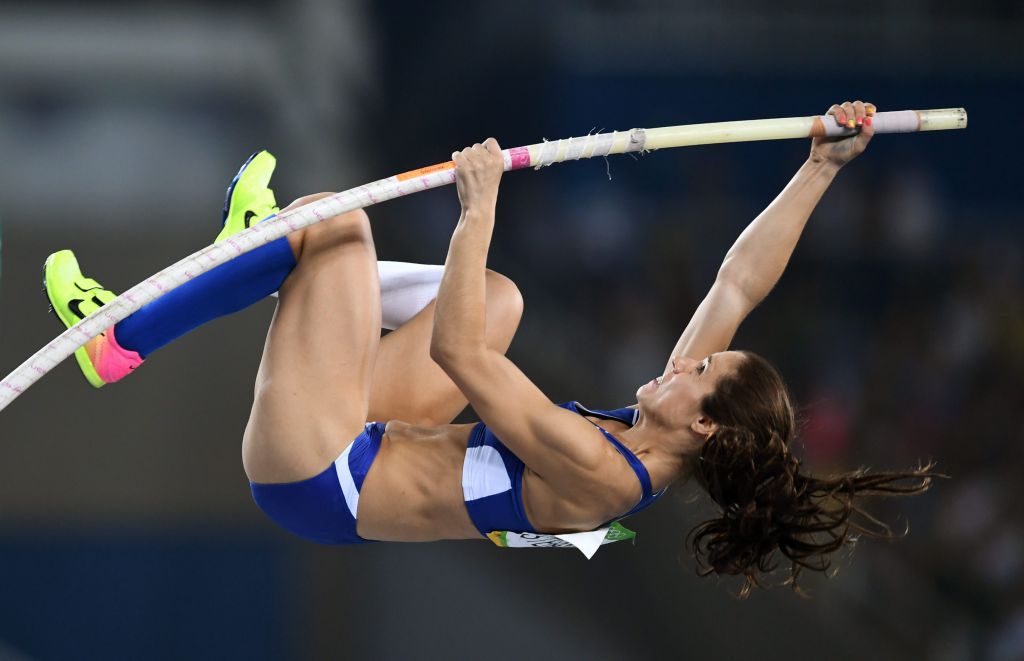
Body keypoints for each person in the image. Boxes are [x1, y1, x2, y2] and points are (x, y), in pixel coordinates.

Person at [44, 101, 934, 595]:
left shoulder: (598, 466)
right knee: (500, 296)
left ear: (702, 428)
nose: (683, 362)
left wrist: (479, 207)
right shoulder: (651, 429)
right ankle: (272, 245)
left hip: (319, 475)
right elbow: (738, 285)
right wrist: (819, 167)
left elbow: (462, 358)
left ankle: (119, 337)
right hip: (368, 441)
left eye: (699, 373)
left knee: (341, 226)